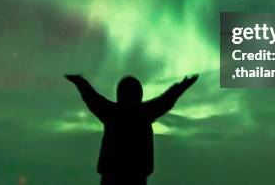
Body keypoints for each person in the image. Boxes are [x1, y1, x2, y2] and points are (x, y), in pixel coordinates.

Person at [65, 73, 199, 185]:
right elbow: (166, 100)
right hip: (136, 174)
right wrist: (182, 86)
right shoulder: (144, 112)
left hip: (113, 174)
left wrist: (80, 81)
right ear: (139, 93)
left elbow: (91, 97)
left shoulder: (111, 112)